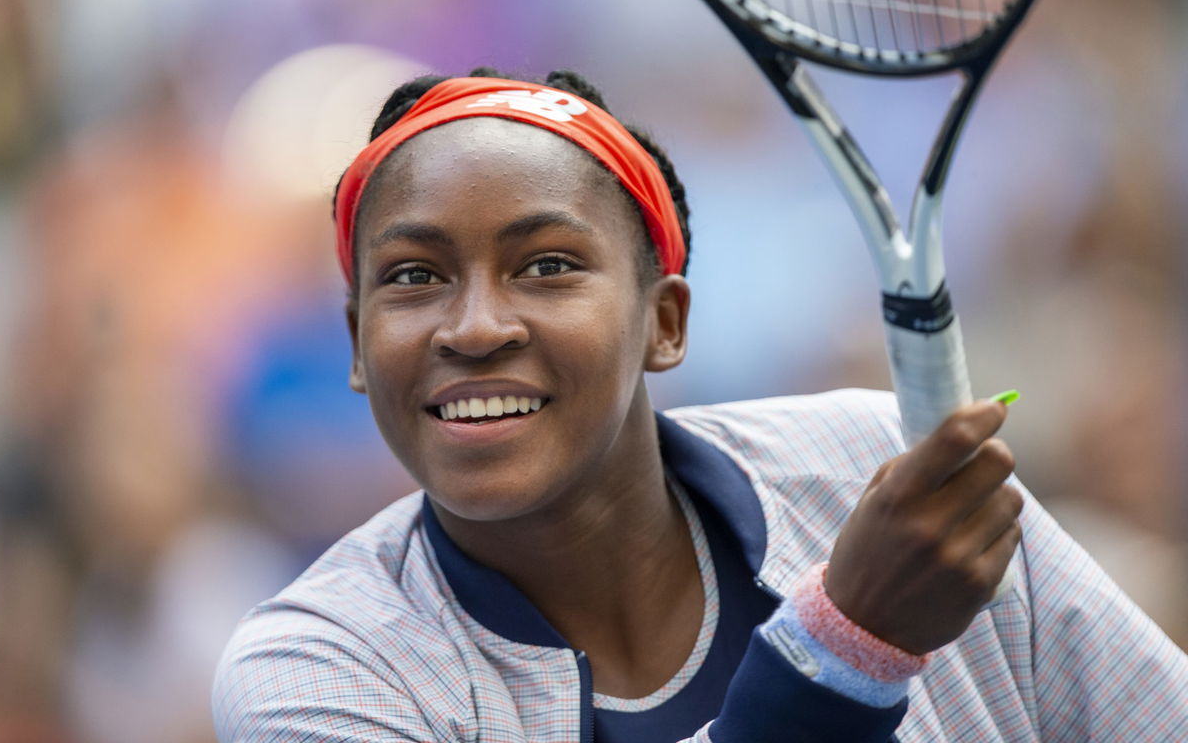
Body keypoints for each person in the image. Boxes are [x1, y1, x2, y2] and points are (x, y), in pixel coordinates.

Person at [212, 68, 1188, 742]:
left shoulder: (879, 466)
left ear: (665, 322)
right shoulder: (312, 668)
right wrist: (846, 647)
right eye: (414, 275)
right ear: (353, 343)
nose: (472, 325)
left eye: (547, 264)